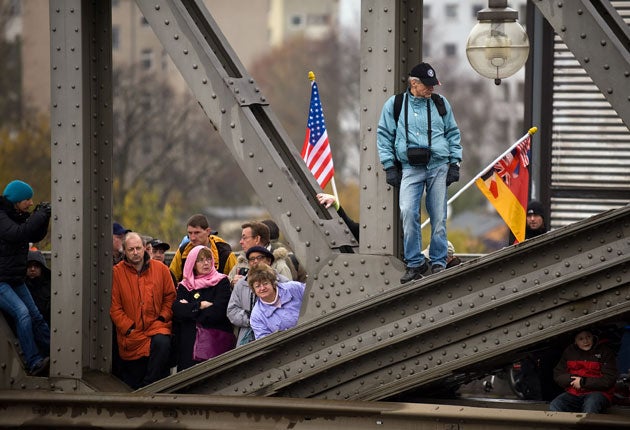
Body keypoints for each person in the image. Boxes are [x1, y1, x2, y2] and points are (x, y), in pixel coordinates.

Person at [376, 62, 462, 283]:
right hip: (410, 168)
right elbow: (384, 136)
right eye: (427, 84)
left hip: (438, 166)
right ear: (414, 83)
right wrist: (389, 166)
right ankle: (415, 262)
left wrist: (455, 163)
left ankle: (439, 262)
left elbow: (453, 133)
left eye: (433, 84)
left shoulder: (440, 103)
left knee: (439, 216)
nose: (432, 88)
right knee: (407, 212)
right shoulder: (395, 105)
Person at [110, 232, 176, 389]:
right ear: (124, 251)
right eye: (131, 249)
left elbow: (170, 297)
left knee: (162, 343)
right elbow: (115, 307)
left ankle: (149, 390)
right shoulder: (116, 273)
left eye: (138, 248)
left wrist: (162, 318)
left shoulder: (161, 269)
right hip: (132, 335)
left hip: (156, 327)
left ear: (145, 248)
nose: (135, 252)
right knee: (133, 380)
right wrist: (129, 328)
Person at [0, 179, 52, 376]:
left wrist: (44, 216)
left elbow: (34, 234)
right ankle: (34, 361)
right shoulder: (2, 216)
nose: (30, 203)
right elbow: (19, 233)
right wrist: (39, 215)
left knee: (36, 315)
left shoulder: (16, 215)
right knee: (23, 313)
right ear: (16, 200)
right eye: (27, 200)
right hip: (1, 281)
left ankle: (55, 354)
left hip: (14, 278)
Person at [172, 245, 234, 371]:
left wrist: (190, 310)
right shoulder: (185, 285)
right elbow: (178, 311)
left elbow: (218, 312)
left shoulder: (221, 281)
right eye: (200, 260)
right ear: (192, 264)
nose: (206, 263)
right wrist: (200, 305)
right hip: (189, 343)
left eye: (208, 259)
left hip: (215, 340)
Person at [227, 246, 290, 346]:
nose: (255, 261)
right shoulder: (241, 284)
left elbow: (291, 307)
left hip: (278, 335)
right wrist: (252, 318)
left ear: (269, 261)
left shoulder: (283, 282)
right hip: (247, 338)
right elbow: (232, 311)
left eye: (260, 257)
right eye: (252, 259)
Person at [549, 329, 617, 413]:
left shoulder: (605, 352)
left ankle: (587, 422)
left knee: (591, 404)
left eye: (588, 337)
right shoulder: (569, 352)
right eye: (581, 339)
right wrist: (572, 379)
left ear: (593, 337)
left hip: (598, 393)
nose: (585, 341)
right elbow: (558, 374)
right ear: (575, 341)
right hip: (574, 393)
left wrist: (582, 382)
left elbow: (609, 379)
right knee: (556, 404)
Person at [169, 214, 237, 283]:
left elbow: (236, 281)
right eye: (190, 233)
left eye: (197, 233)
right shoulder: (183, 250)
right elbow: (171, 279)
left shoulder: (225, 254)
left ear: (208, 231)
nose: (192, 238)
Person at [247, 263, 305, 340]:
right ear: (253, 290)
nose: (262, 288)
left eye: (265, 283)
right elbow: (265, 341)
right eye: (257, 286)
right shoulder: (256, 315)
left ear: (272, 283)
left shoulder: (294, 288)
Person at [228, 221, 292, 287]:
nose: (241, 242)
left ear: (257, 239)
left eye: (244, 238)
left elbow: (289, 290)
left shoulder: (280, 266)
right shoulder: (242, 261)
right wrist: (232, 283)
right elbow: (228, 282)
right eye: (252, 259)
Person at [25, 250, 51, 325]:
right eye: (29, 266)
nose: (32, 269)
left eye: (36, 266)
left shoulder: (51, 286)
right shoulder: (20, 287)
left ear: (42, 268)